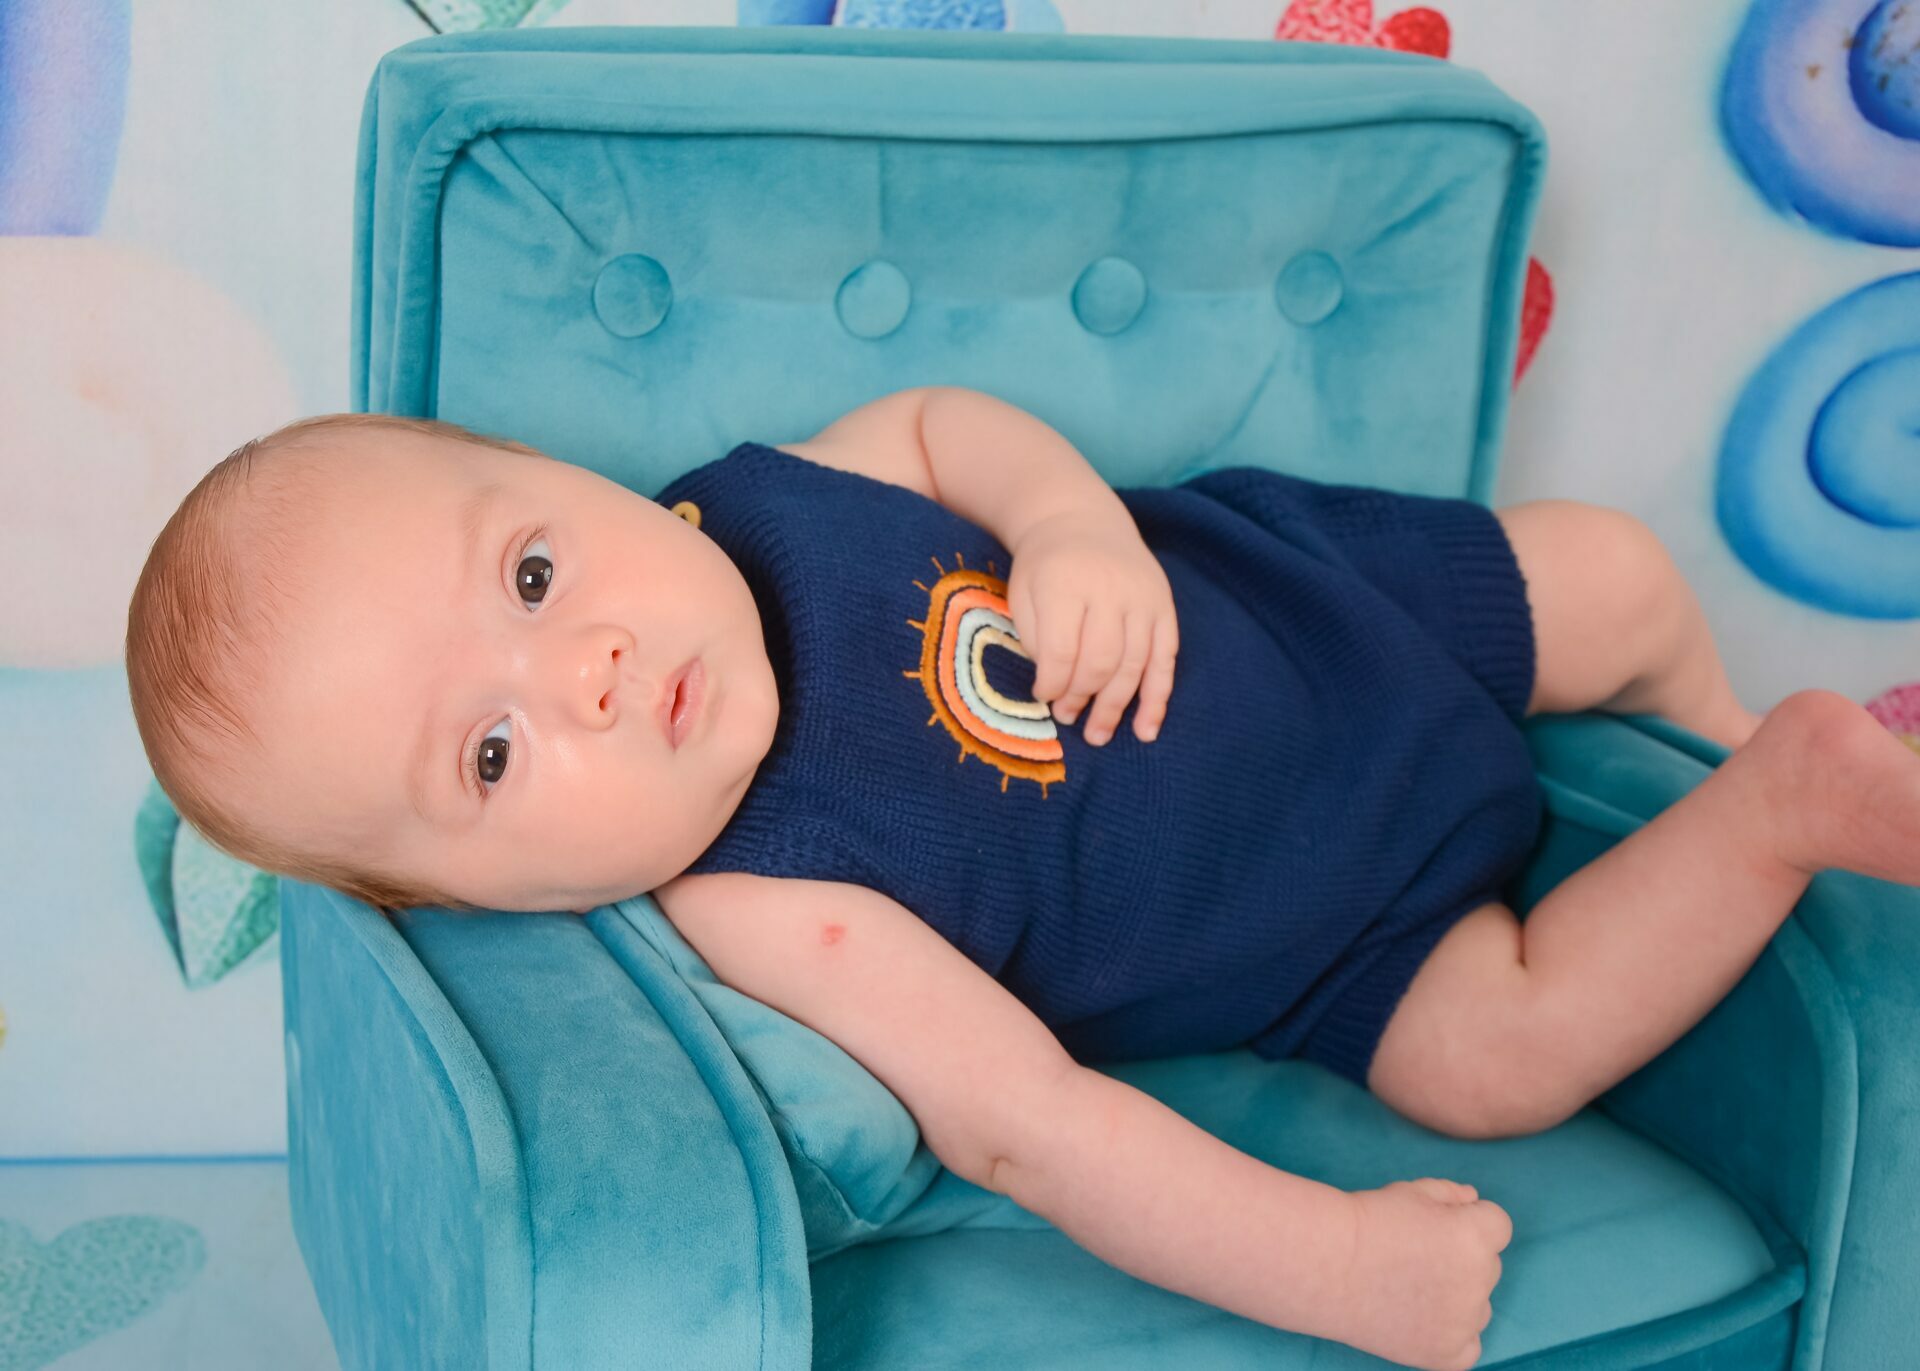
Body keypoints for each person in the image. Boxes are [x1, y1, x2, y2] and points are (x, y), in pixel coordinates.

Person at [125, 386, 1920, 1371]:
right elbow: (1034, 1129)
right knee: (1496, 1063)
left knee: (1606, 579)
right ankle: (1777, 797)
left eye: (531, 576)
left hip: (1312, 609)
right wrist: (1333, 1265)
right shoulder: (767, 901)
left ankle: (1708, 720)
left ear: (561, 474)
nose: (581, 670)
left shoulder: (754, 499)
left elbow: (941, 427)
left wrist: (1067, 523)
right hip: (1340, 941)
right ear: (487, 903)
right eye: (492, 757)